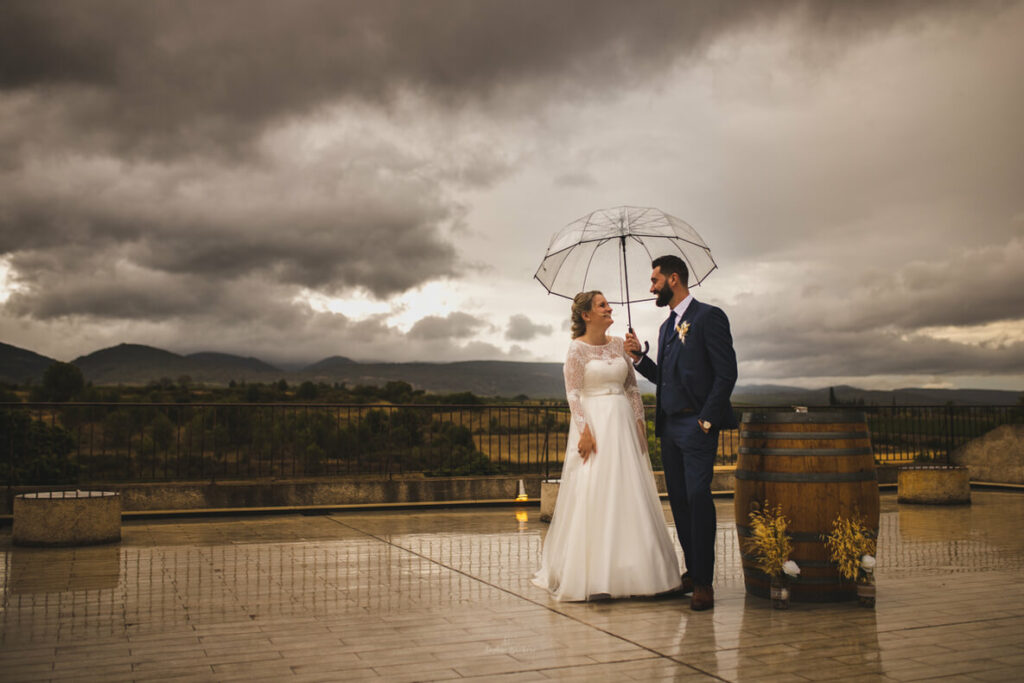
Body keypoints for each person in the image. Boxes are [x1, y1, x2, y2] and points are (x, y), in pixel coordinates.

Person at [532, 291, 681, 601]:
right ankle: (595, 577)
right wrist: (584, 431)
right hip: (595, 424)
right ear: (586, 315)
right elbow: (573, 393)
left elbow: (630, 387)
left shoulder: (618, 344)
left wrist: (639, 423)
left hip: (623, 425)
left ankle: (642, 572)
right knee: (595, 491)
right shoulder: (576, 349)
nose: (609, 308)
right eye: (602, 305)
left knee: (630, 493)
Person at [625, 255, 738, 611]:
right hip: (670, 428)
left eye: (655, 280)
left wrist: (707, 420)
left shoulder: (708, 317)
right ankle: (692, 570)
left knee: (698, 498)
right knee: (679, 502)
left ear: (674, 279)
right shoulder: (664, 329)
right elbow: (667, 380)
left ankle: (704, 582)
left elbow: (726, 374)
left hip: (696, 426)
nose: (651, 287)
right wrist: (640, 360)